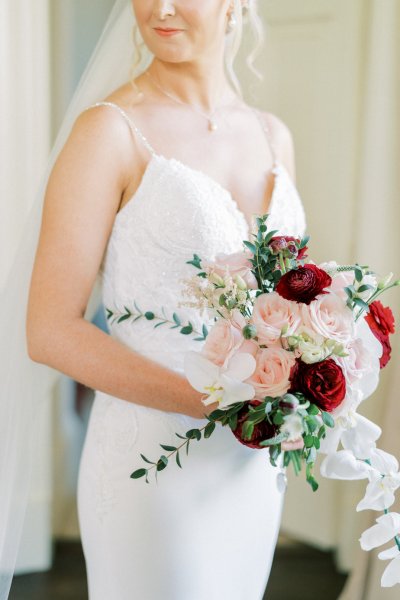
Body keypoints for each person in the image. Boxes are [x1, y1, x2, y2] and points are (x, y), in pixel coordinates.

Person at [5, 0, 306, 598]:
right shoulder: (110, 130)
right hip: (154, 458)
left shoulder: (273, 135)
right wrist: (206, 401)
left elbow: (289, 299)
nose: (160, 8)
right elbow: (49, 328)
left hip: (251, 463)